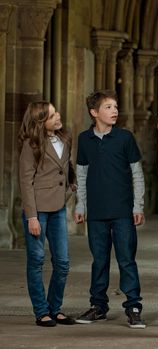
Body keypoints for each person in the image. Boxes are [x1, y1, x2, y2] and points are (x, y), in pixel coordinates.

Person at [74, 90, 146, 329]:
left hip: (123, 211)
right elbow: (81, 175)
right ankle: (98, 306)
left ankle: (133, 306)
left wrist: (138, 205)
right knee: (99, 261)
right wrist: (80, 204)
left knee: (127, 260)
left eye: (115, 106)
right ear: (94, 113)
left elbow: (137, 173)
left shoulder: (125, 138)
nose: (114, 110)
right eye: (108, 107)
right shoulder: (84, 139)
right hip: (96, 212)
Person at [18, 101, 76, 327]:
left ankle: (55, 308)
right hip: (38, 211)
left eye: (56, 111)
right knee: (37, 260)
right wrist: (31, 216)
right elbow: (26, 181)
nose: (58, 116)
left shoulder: (65, 139)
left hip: (58, 208)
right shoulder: (30, 145)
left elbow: (66, 168)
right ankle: (41, 311)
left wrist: (72, 186)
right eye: (52, 115)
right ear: (41, 122)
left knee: (62, 262)